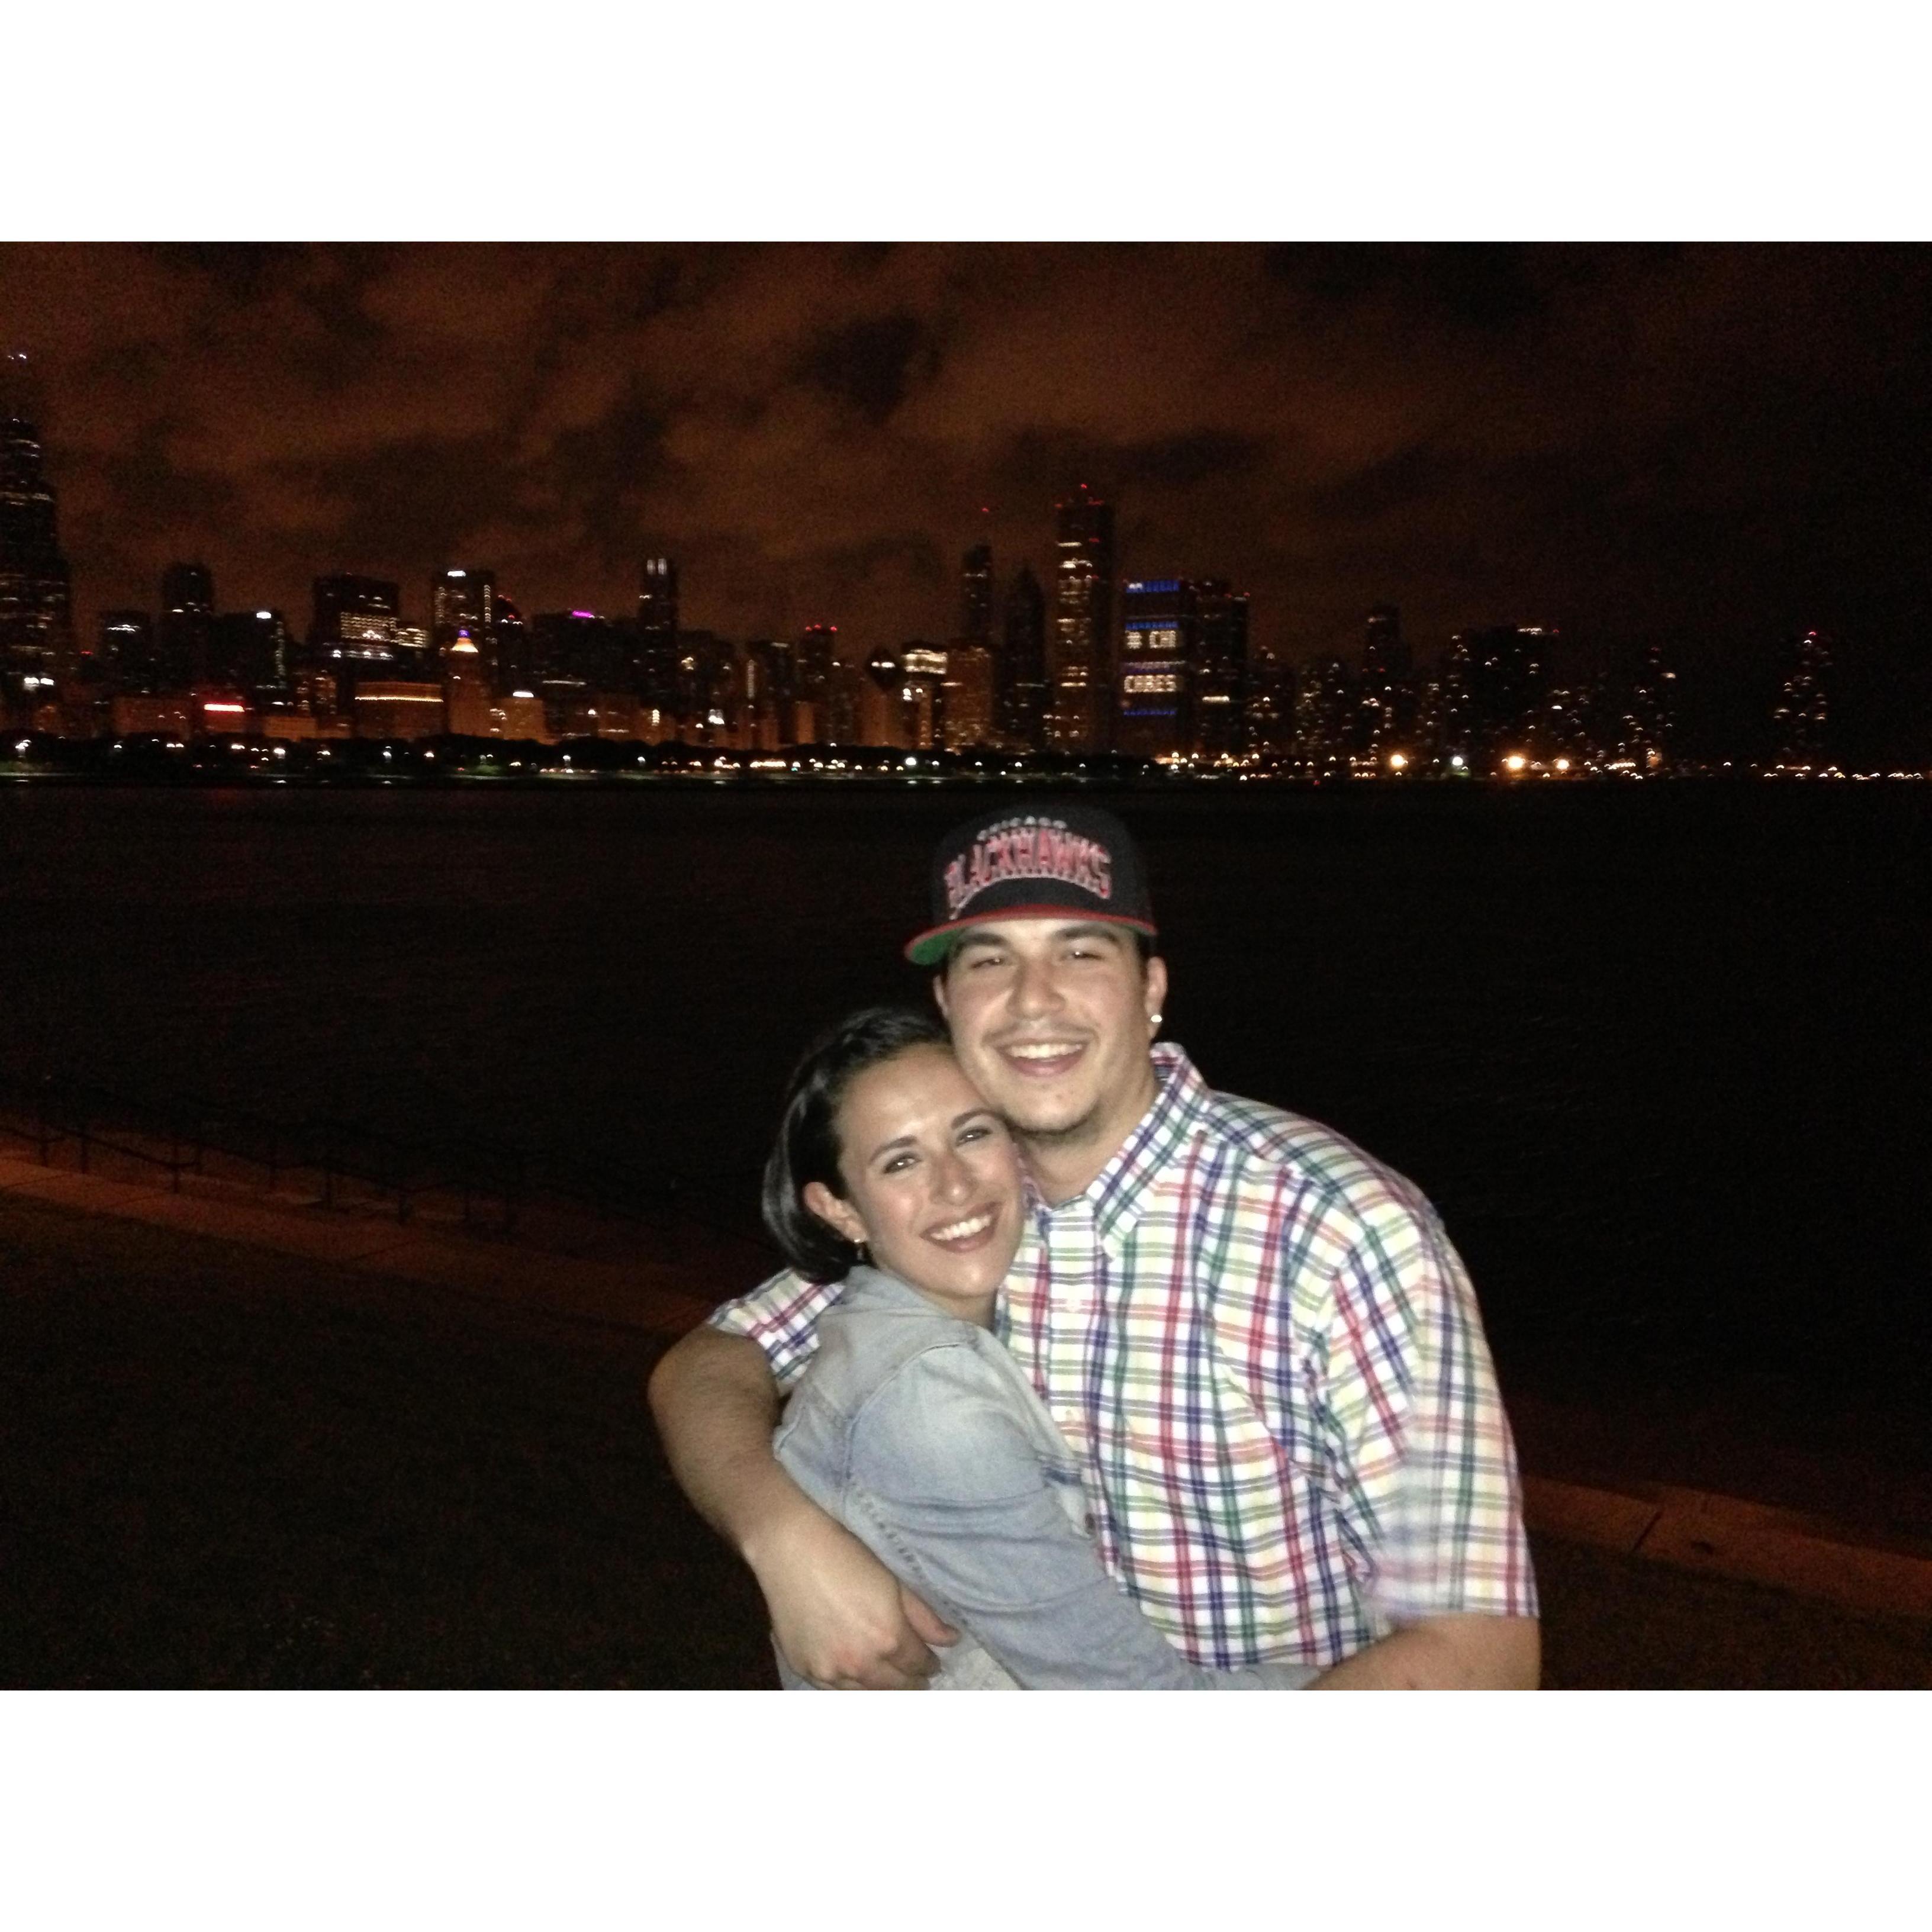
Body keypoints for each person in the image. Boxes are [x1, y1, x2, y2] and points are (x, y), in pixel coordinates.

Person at [650, 801, 1540, 1689]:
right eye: (991, 960)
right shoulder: (967, 1207)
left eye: (1080, 953)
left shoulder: (1338, 1233)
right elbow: (710, 1363)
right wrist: (783, 1538)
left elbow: (1478, 1658)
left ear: (1151, 990)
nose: (1034, 999)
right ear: (947, 1004)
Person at [759, 1003, 1313, 1689]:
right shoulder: (930, 1405)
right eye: (901, 1162)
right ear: (838, 1209)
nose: (955, 1185)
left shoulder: (909, 1318)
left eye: (972, 1134)